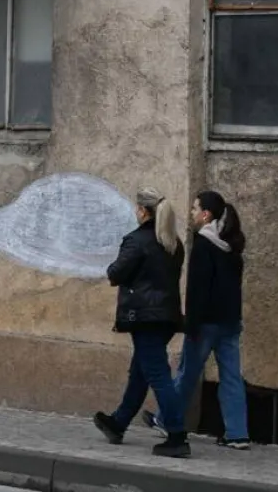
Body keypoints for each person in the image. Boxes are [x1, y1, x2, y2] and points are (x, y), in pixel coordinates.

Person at [93, 187, 189, 458]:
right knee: (140, 372)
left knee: (157, 374)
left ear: (144, 212)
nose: (135, 212)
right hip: (166, 317)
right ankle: (118, 422)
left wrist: (113, 268)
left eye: (138, 208)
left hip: (144, 317)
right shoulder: (173, 242)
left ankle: (177, 435)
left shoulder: (137, 241)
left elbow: (115, 272)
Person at [157, 190, 250, 449]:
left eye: (195, 208)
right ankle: (238, 433)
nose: (192, 213)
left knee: (188, 374)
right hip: (230, 322)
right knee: (232, 376)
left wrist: (191, 324)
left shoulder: (203, 244)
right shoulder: (232, 245)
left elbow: (197, 289)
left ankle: (167, 419)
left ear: (206, 214)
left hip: (206, 323)